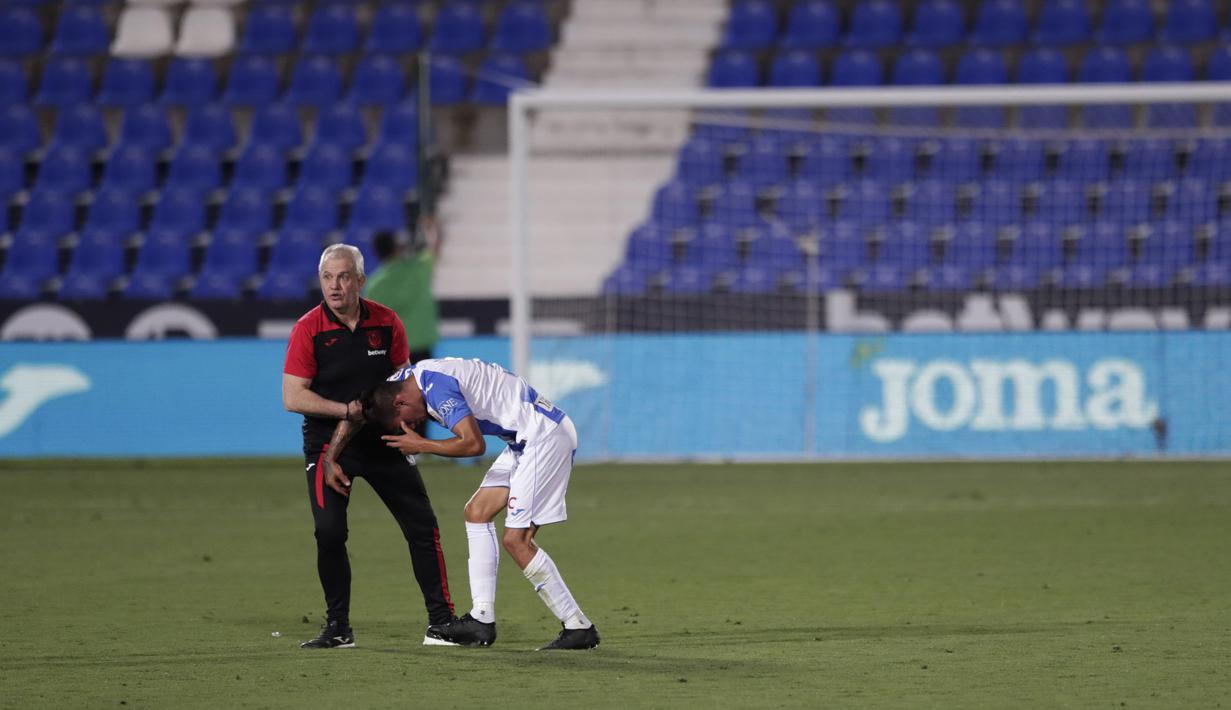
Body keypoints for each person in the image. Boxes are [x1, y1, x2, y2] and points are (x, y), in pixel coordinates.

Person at [359, 357, 600, 651]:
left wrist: (422, 446)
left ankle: (577, 626)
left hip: (543, 438)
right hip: (524, 440)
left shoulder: (437, 389)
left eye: (407, 420)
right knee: (477, 512)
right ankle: (481, 619)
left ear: (399, 402)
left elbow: (473, 444)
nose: (413, 425)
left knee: (517, 540)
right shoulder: (408, 379)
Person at [281, 243, 455, 649]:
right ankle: (338, 626)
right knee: (329, 532)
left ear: (360, 280)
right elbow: (293, 396)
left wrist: (411, 430)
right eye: (327, 278)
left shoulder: (388, 322)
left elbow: (404, 382)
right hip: (328, 446)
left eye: (343, 277)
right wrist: (346, 411)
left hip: (383, 441)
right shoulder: (308, 329)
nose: (335, 286)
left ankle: (441, 623)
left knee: (422, 527)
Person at [362, 220, 440, 367]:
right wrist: (432, 229)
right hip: (422, 346)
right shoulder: (417, 269)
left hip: (394, 350)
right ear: (397, 247)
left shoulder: (373, 285)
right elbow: (434, 248)